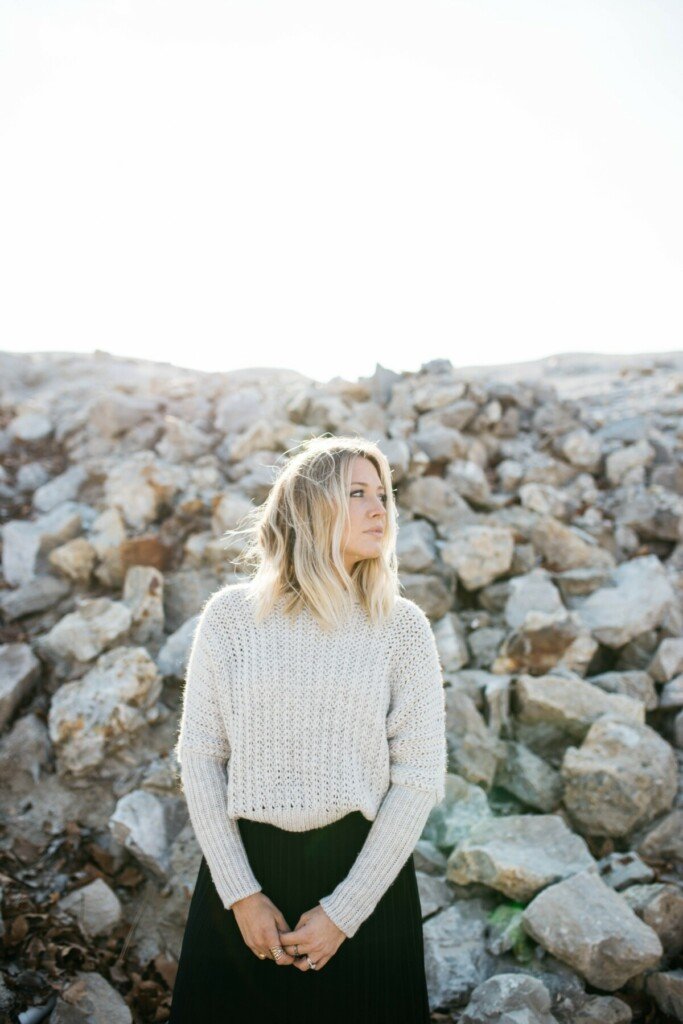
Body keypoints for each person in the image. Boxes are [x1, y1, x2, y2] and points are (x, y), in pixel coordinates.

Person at [168, 434, 448, 1024]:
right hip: (245, 878)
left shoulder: (401, 628)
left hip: (365, 883)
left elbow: (419, 777)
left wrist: (345, 911)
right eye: (358, 493)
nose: (381, 509)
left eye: (384, 494)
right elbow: (200, 758)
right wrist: (241, 893)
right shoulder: (231, 618)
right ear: (310, 507)